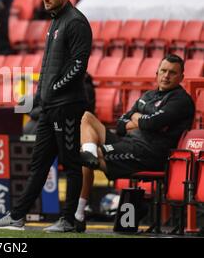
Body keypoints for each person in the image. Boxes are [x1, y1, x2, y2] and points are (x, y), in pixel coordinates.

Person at [0, 0, 92, 232]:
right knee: (39, 163)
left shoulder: (75, 22)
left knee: (71, 162)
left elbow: (78, 66)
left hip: (66, 106)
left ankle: (69, 219)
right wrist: (42, 95)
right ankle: (17, 216)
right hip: (49, 106)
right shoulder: (56, 22)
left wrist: (53, 89)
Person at [76, 54, 195, 225]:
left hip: (147, 153)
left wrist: (139, 118)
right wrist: (142, 121)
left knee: (87, 159)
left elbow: (151, 123)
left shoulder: (181, 100)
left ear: (181, 77)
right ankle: (90, 152)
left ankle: (78, 214)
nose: (166, 76)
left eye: (172, 73)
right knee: (87, 118)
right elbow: (120, 124)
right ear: (157, 73)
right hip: (128, 143)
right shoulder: (148, 95)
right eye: (163, 71)